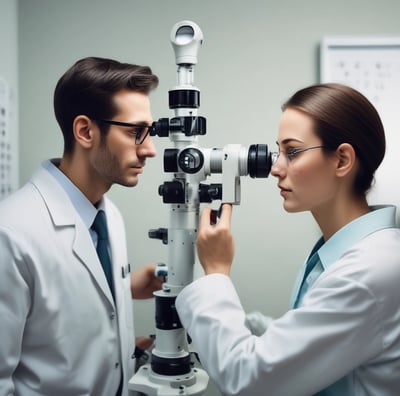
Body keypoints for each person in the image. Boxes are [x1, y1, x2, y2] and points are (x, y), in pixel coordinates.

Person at [175, 83, 400, 395]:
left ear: (342, 160)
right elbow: (309, 346)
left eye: (292, 152)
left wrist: (215, 272)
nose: (275, 169)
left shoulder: (368, 272)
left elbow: (250, 381)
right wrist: (248, 325)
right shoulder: (346, 252)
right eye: (278, 151)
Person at [0, 57, 163, 396]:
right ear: (85, 131)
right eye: (135, 132)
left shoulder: (108, 215)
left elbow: (63, 321)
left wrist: (123, 289)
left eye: (149, 131)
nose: (150, 149)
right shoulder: (10, 234)